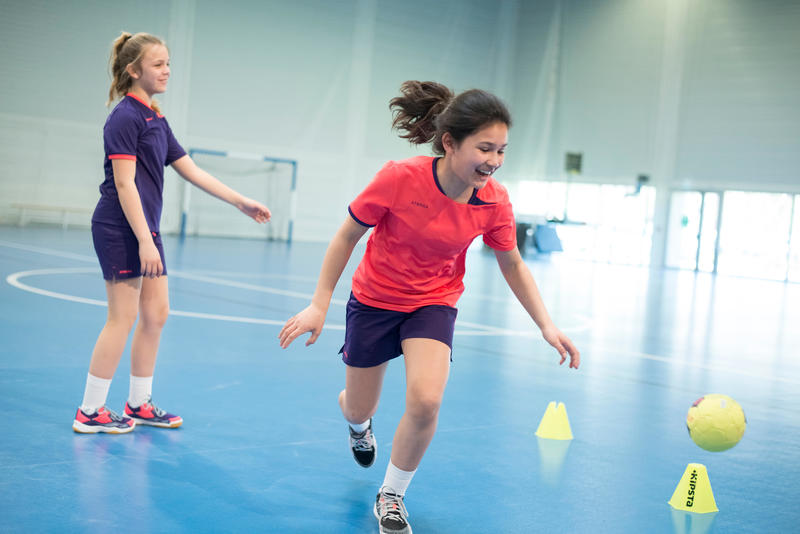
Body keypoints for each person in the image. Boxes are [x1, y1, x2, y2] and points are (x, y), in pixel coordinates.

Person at [278, 80, 580, 534]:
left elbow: (512, 262)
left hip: (433, 302)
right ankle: (358, 424)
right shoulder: (401, 178)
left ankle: (392, 495)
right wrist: (319, 304)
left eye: (502, 150)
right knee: (360, 405)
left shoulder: (494, 200)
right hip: (375, 299)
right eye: (485, 148)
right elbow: (347, 235)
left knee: (426, 400)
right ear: (449, 143)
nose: (494, 161)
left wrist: (546, 325)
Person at [72, 32, 271, 434]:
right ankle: (90, 411)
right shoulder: (125, 116)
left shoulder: (155, 118)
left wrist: (240, 201)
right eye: (158, 64)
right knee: (122, 317)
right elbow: (125, 184)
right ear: (134, 70)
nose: (166, 71)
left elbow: (190, 168)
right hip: (121, 227)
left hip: (146, 229)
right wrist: (145, 240)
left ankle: (138, 402)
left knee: (156, 315)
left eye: (168, 64)